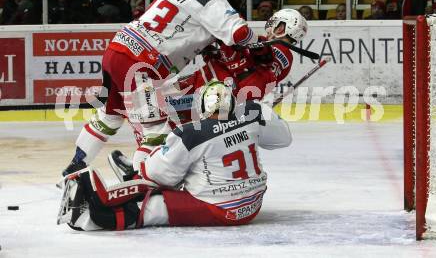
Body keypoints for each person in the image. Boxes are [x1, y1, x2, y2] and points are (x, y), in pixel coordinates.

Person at [61, 0, 259, 176]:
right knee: (156, 131)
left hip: (116, 49)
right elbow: (240, 34)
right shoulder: (212, 2)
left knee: (110, 115)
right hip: (140, 64)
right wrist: (258, 42)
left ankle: (74, 166)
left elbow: (178, 30)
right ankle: (139, 179)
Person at [57, 80, 292, 231]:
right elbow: (283, 138)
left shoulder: (190, 133)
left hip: (219, 208)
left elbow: (159, 177)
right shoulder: (252, 113)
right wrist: (262, 113)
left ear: (201, 106)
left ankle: (88, 216)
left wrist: (147, 166)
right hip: (253, 204)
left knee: (147, 206)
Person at [109, 8, 307, 181]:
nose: (271, 26)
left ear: (283, 27)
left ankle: (141, 172)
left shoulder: (282, 51)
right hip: (207, 86)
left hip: (211, 91)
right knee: (158, 113)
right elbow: (243, 63)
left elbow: (248, 68)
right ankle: (150, 168)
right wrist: (219, 51)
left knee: (152, 111)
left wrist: (229, 46)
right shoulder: (276, 50)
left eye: (276, 23)